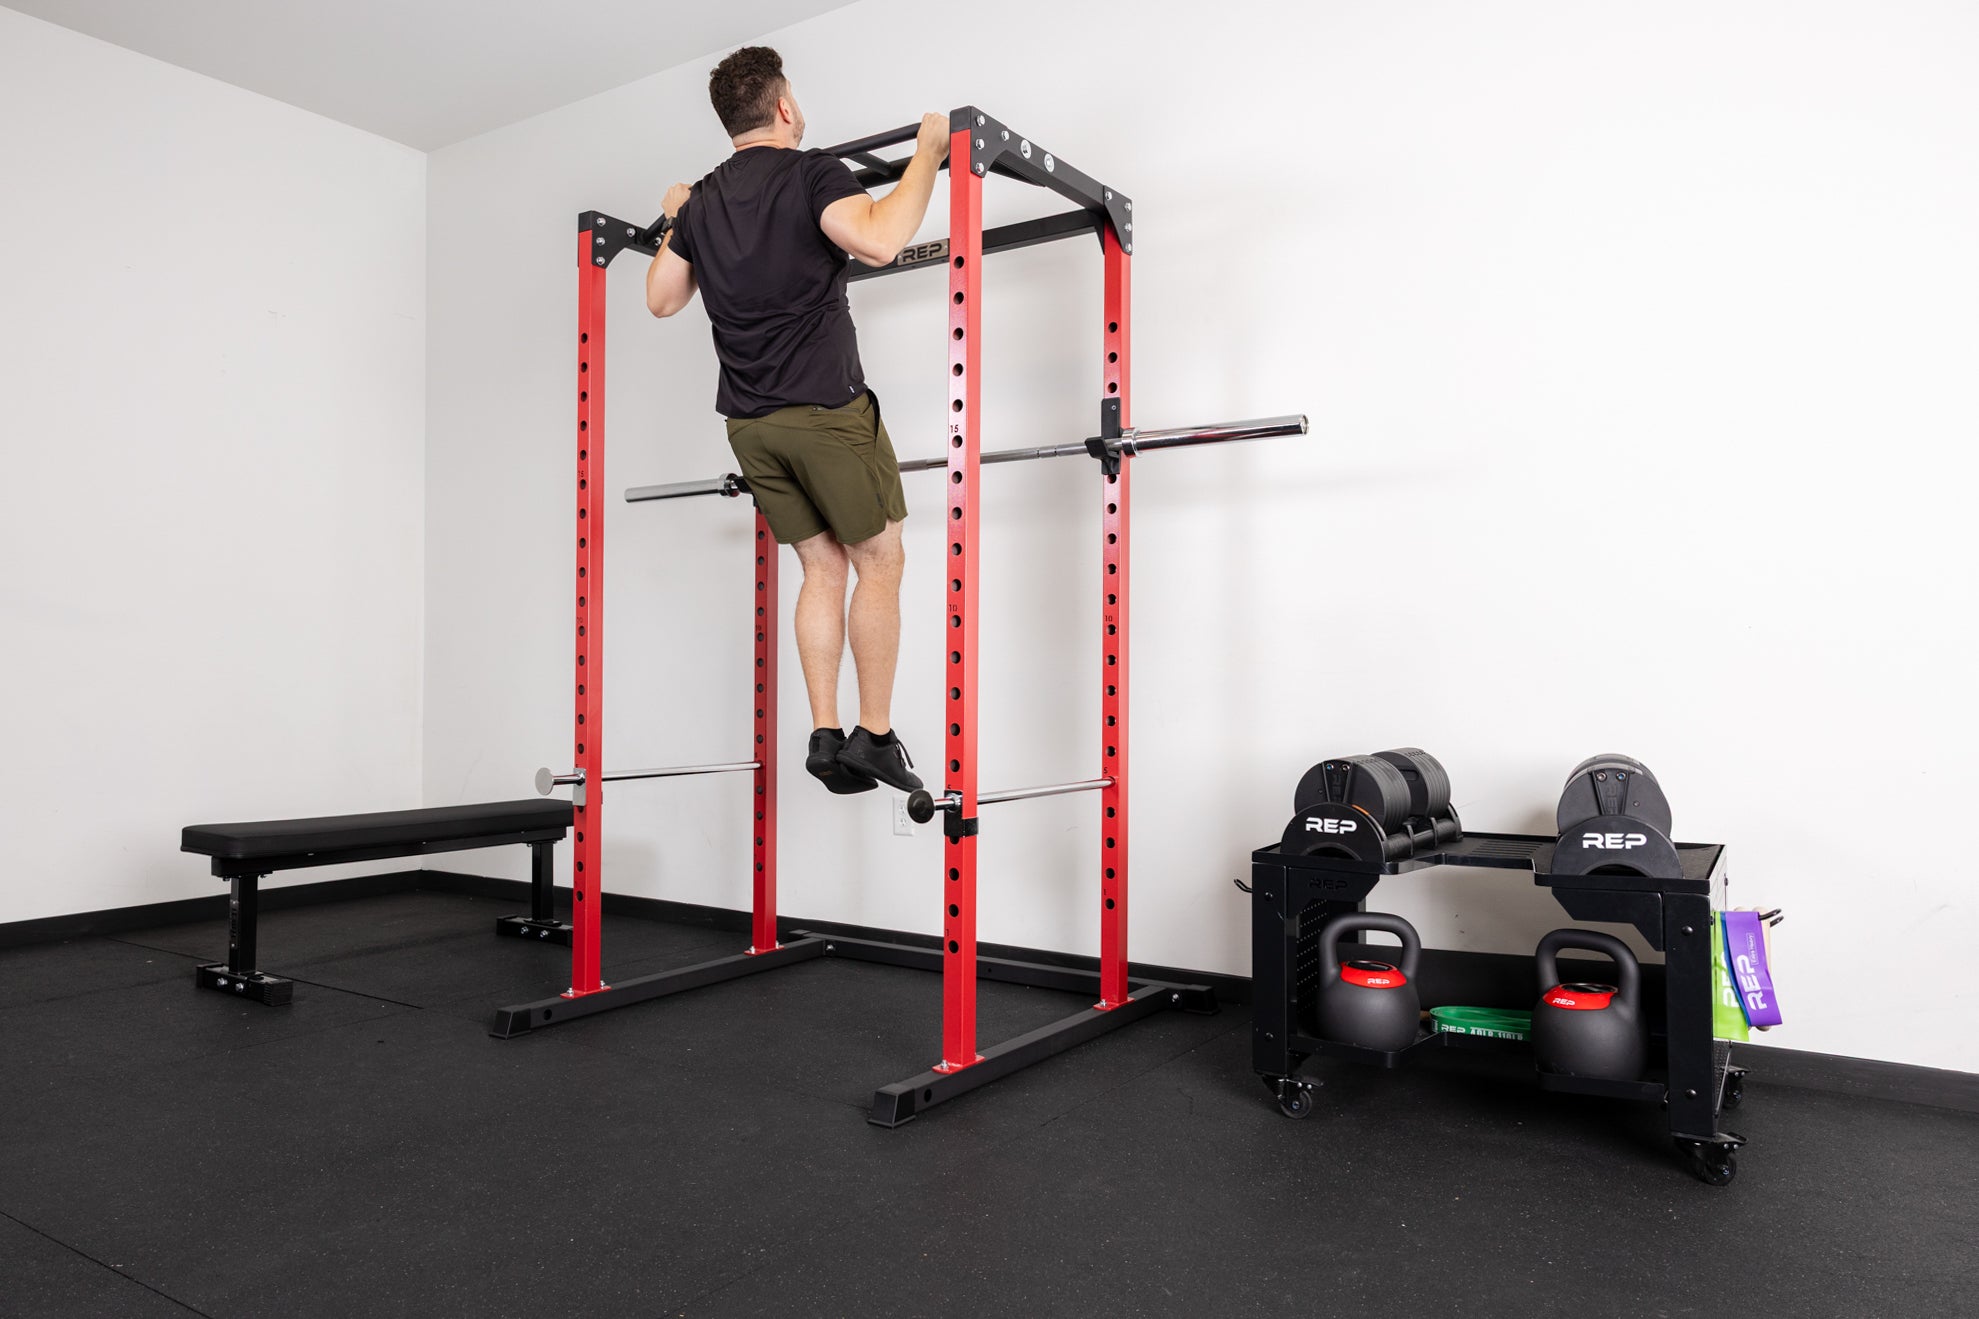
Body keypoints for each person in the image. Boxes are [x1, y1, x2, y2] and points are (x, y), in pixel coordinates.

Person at [644, 46, 946, 797]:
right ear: (784, 108)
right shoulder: (811, 173)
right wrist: (929, 155)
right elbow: (879, 240)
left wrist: (679, 218)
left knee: (820, 566)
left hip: (750, 426)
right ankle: (873, 735)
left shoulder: (706, 199)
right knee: (879, 560)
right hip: (825, 411)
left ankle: (822, 733)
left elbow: (661, 298)